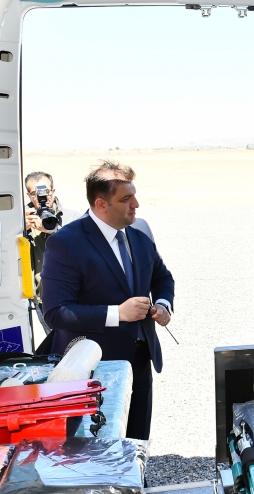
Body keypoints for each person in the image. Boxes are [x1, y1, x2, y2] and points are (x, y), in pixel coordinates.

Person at [41, 161, 175, 441]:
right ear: (101, 204)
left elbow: (162, 277)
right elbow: (56, 312)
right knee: (98, 445)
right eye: (126, 199)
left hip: (140, 358)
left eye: (134, 195)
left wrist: (163, 304)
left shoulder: (140, 234)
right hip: (94, 366)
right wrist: (117, 313)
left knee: (137, 439)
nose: (136, 204)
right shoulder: (65, 243)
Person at [23, 172, 66, 326]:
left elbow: (83, 249)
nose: (42, 197)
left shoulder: (71, 217)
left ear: (53, 191)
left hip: (72, 294)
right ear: (29, 195)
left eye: (45, 191)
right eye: (35, 193)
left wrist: (53, 231)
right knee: (54, 340)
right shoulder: (23, 219)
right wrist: (19, 229)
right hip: (42, 298)